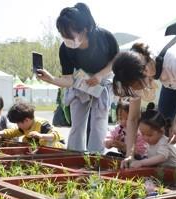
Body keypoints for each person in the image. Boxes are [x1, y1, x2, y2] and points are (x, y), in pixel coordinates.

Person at [112, 33, 176, 168]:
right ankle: (168, 164)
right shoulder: (131, 68)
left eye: (139, 86)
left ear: (145, 71)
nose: (139, 90)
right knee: (161, 124)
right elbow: (133, 118)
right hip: (174, 76)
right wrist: (129, 155)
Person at [36, 2, 118, 153]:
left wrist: (100, 76)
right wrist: (51, 79)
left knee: (99, 123)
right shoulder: (65, 49)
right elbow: (68, 80)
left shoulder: (103, 37)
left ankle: (96, 158)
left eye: (70, 35)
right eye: (63, 35)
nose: (66, 39)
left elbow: (116, 59)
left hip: (104, 76)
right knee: (77, 123)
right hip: (81, 80)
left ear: (84, 30)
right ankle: (73, 156)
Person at [128, 103, 176, 169]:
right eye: (143, 134)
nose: (145, 138)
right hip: (162, 170)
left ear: (162, 131)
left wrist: (141, 162)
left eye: (149, 135)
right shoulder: (151, 142)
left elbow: (162, 157)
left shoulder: (164, 142)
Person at [0, 102, 64, 148]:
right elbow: (13, 132)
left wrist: (40, 135)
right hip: (41, 149)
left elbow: (56, 135)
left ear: (26, 120)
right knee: (25, 140)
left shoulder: (42, 124)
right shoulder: (25, 127)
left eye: (18, 123)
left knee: (44, 141)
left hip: (57, 149)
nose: (17, 126)